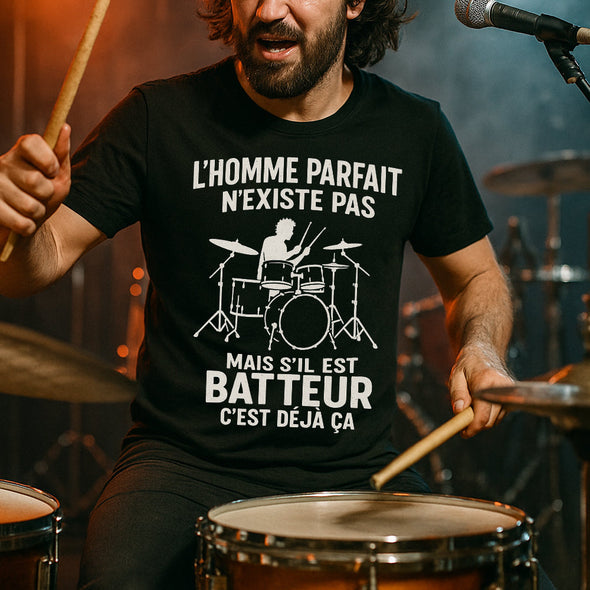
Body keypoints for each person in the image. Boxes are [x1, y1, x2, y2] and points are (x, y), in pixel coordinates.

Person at [0, 0, 548, 587]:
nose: (268, 9)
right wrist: (17, 223)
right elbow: (32, 265)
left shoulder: (413, 130)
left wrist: (481, 349)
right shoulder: (158, 115)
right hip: (181, 467)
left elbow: (476, 278)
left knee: (511, 578)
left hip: (359, 475)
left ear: (354, 3)